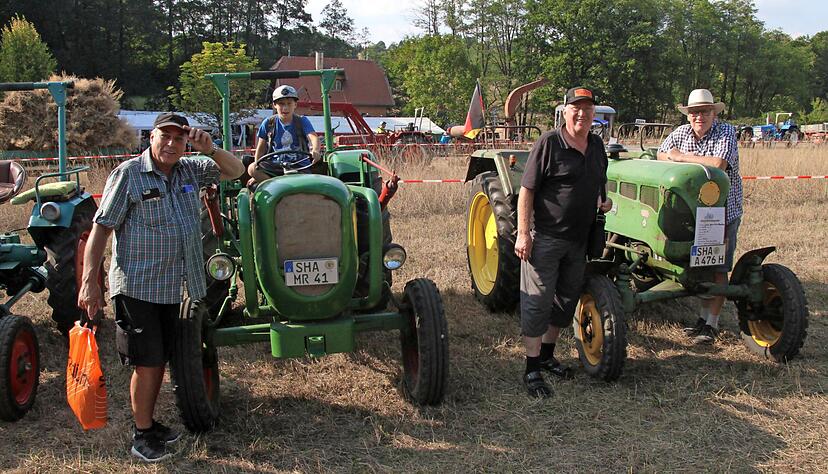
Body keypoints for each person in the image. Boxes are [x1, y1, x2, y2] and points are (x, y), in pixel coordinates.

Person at [77, 113, 244, 462]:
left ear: (186, 142)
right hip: (138, 285)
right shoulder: (128, 175)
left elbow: (237, 171)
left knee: (163, 357)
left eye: (178, 139)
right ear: (150, 138)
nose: (170, 144)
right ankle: (141, 435)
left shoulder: (190, 170)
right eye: (163, 136)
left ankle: (151, 425)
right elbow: (101, 231)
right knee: (148, 362)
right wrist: (89, 282)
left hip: (174, 287)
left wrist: (211, 149)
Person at [515, 87, 612, 398]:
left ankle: (546, 356)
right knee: (537, 301)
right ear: (565, 112)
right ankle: (531, 368)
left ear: (594, 112)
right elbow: (527, 191)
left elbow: (599, 181)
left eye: (587, 108)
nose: (582, 113)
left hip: (578, 240)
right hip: (545, 237)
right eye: (576, 108)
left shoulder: (596, 145)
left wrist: (602, 201)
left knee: (565, 300)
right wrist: (523, 233)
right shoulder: (549, 143)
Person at [657, 89, 742, 345]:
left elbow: (718, 165)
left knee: (717, 266)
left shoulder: (726, 132)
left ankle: (711, 323)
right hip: (690, 215)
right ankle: (701, 320)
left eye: (704, 112)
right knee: (700, 263)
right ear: (688, 115)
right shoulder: (680, 132)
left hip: (720, 211)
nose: (699, 117)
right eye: (694, 112)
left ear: (713, 113)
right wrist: (673, 156)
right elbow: (661, 154)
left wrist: (681, 157)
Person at [247, 85, 321, 182]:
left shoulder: (302, 121)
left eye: (289, 104)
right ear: (274, 105)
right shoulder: (268, 123)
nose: (285, 108)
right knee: (252, 168)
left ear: (295, 105)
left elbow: (313, 137)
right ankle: (275, 187)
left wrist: (315, 150)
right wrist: (257, 168)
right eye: (281, 104)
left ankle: (277, 186)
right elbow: (260, 148)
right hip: (275, 166)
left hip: (299, 165)